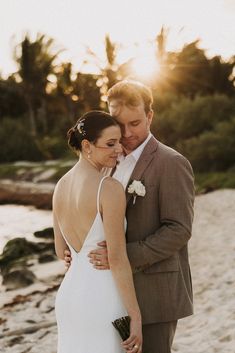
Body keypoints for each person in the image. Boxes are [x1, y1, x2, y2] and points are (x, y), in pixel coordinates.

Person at [65, 81, 195, 353]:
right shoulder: (107, 162)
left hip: (154, 290)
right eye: (119, 124)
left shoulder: (170, 163)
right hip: (111, 293)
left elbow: (179, 230)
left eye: (135, 123)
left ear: (150, 116)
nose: (126, 133)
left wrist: (120, 255)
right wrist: (76, 249)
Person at [53, 111, 142, 353]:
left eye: (119, 143)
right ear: (86, 145)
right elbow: (117, 258)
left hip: (69, 298)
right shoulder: (109, 189)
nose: (119, 150)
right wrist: (135, 316)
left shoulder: (60, 186)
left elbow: (61, 251)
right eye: (110, 144)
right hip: (102, 297)